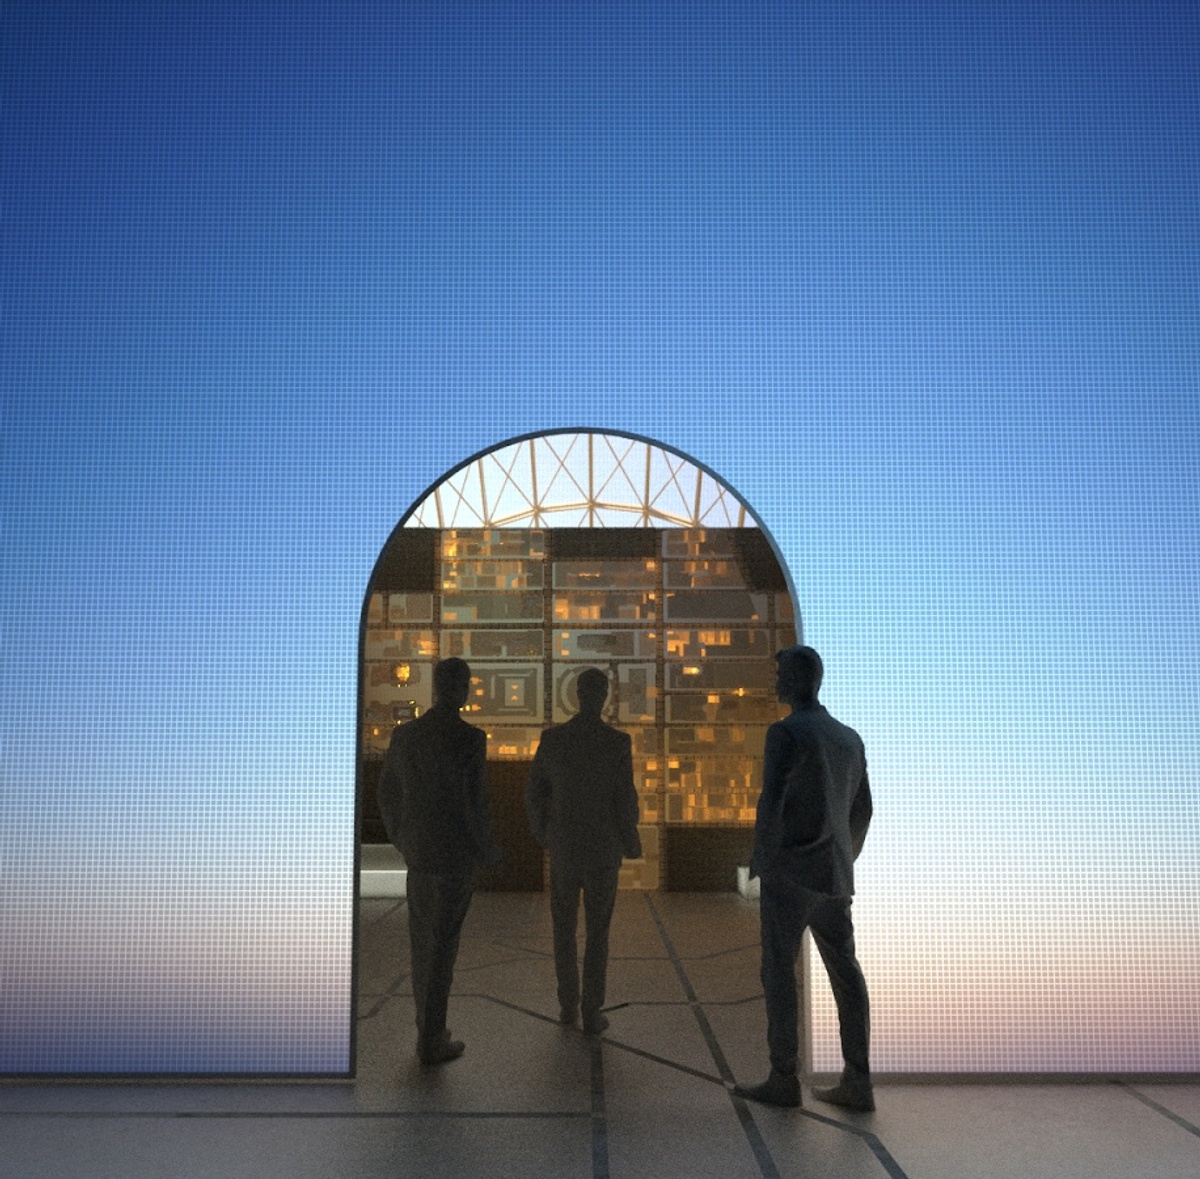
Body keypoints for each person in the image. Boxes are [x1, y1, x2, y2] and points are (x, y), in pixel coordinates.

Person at [734, 645, 875, 1111]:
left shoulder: (786, 733)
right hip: (833, 876)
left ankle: (783, 1078)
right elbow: (863, 810)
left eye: (779, 673)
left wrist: (763, 859)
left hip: (791, 872)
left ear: (798, 679)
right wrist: (841, 856)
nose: (775, 681)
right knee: (845, 973)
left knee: (778, 972)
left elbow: (770, 800)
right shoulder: (849, 738)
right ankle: (858, 1079)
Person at [376, 657, 502, 1066]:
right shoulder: (470, 740)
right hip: (455, 859)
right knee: (443, 950)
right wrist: (485, 848)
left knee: (421, 947)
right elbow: (475, 805)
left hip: (420, 857)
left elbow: (388, 796)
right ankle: (432, 1036)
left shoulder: (406, 736)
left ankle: (426, 1028)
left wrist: (403, 840)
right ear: (462, 689)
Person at [526, 667, 642, 1035]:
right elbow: (624, 798)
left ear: (576, 694)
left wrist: (543, 831)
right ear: (604, 696)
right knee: (597, 933)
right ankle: (592, 1009)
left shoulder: (554, 739)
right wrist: (630, 838)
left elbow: (535, 791)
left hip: (564, 848)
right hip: (602, 849)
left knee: (563, 929)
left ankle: (567, 1005)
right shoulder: (616, 743)